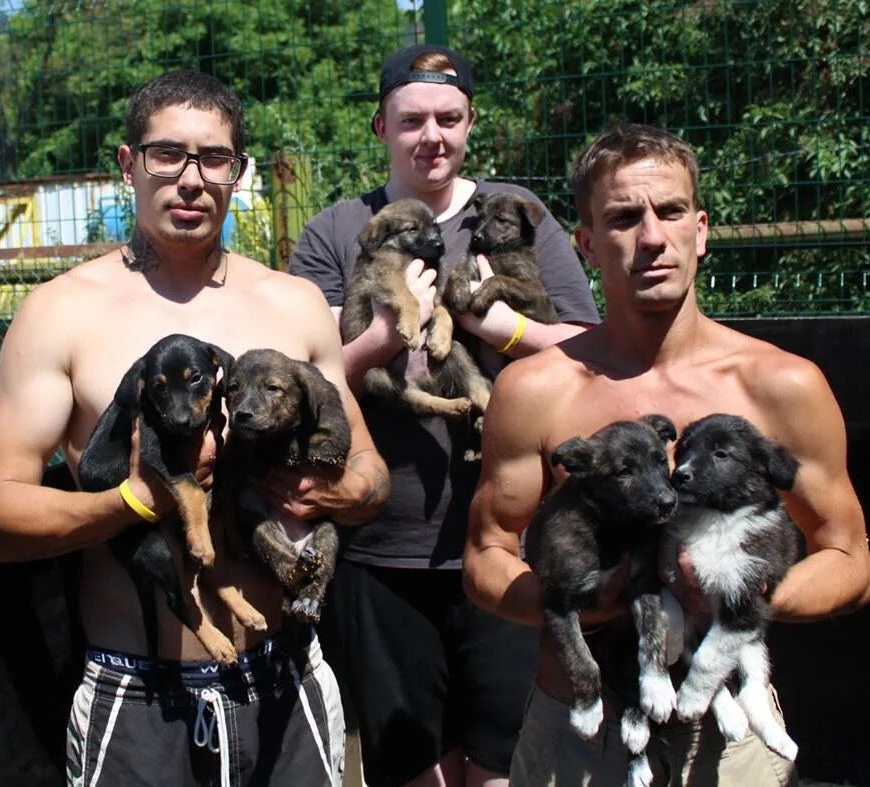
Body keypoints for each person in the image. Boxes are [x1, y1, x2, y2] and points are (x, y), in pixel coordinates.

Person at [0, 69, 389, 787]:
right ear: (128, 164)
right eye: (167, 154)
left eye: (214, 158)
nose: (191, 179)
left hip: (286, 680)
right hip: (139, 698)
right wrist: (137, 500)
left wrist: (325, 493)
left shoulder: (294, 305)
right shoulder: (60, 314)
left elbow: (371, 474)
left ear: (238, 172)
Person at [463, 122, 870, 786]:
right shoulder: (535, 390)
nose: (652, 236)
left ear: (701, 230)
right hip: (579, 733)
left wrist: (741, 595)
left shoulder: (781, 386)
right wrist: (588, 599)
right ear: (587, 244)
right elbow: (486, 554)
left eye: (672, 211)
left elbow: (850, 559)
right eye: (624, 218)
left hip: (725, 735)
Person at [289, 44, 600, 786]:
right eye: (412, 120)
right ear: (381, 127)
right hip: (380, 547)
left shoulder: (514, 213)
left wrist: (507, 332)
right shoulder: (338, 229)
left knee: (503, 766)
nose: (432, 136)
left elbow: (589, 349)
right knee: (411, 769)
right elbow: (307, 377)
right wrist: (378, 341)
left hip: (509, 542)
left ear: (470, 123)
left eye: (449, 118)